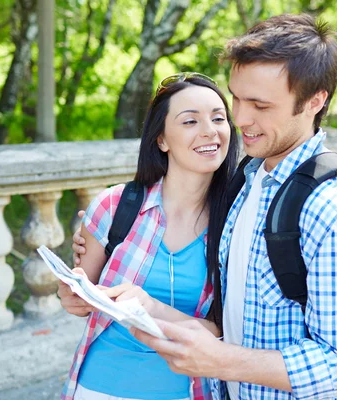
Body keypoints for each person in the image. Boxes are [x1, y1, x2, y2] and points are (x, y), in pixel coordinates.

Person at [73, 14, 337, 400]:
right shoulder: (250, 181)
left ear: (314, 101)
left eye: (260, 105)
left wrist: (220, 360)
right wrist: (145, 303)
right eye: (237, 99)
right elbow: (236, 321)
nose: (240, 119)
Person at [59, 72, 239, 400]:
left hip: (188, 390)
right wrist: (72, 295)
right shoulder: (114, 206)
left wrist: (150, 306)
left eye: (218, 118)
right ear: (162, 139)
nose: (209, 131)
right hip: (101, 387)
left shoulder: (237, 222)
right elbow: (83, 300)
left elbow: (224, 332)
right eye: (190, 122)